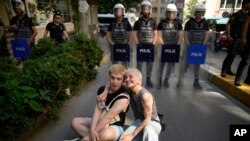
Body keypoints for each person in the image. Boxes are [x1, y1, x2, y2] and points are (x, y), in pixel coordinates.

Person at [68, 64, 130, 141]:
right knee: (75, 122)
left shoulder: (124, 96)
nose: (115, 82)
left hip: (114, 126)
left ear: (123, 80)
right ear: (109, 76)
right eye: (112, 78)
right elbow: (97, 111)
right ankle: (94, 138)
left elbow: (108, 117)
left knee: (106, 134)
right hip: (100, 120)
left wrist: (92, 133)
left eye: (118, 79)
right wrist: (92, 131)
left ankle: (89, 138)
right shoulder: (102, 90)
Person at [98, 68, 162, 141]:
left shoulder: (145, 96)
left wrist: (132, 136)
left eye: (131, 77)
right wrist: (105, 92)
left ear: (139, 81)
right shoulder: (129, 89)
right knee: (123, 139)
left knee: (148, 130)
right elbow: (113, 83)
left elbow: (147, 120)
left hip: (152, 122)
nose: (127, 79)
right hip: (138, 122)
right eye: (126, 77)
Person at [221, 0, 250, 78]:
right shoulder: (237, 14)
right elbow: (229, 24)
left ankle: (228, 69)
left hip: (241, 39)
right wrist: (228, 35)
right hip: (234, 38)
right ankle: (223, 70)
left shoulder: (247, 16)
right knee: (230, 54)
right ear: (245, 4)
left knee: (236, 56)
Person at [157, 3, 183, 88]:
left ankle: (166, 80)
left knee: (170, 66)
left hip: (174, 48)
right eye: (169, 12)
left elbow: (180, 36)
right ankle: (159, 80)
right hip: (164, 47)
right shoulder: (161, 23)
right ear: (166, 13)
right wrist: (163, 45)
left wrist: (178, 45)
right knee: (161, 66)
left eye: (173, 12)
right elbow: (159, 36)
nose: (171, 14)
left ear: (175, 13)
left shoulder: (178, 24)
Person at [184, 2, 209, 89]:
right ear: (195, 12)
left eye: (201, 11)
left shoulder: (205, 23)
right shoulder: (189, 23)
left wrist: (203, 45)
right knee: (187, 63)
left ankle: (196, 81)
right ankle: (181, 77)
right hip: (190, 46)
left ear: (203, 13)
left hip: (200, 46)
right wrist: (188, 45)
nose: (199, 13)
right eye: (198, 11)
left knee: (197, 64)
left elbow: (206, 35)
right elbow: (185, 35)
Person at [133, 0, 157, 88]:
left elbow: (156, 33)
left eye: (147, 8)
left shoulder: (153, 22)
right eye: (144, 8)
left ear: (150, 10)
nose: (146, 10)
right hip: (141, 45)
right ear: (142, 10)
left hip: (150, 45)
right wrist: (137, 43)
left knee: (149, 64)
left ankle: (148, 79)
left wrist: (153, 44)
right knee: (139, 64)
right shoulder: (137, 22)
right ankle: (138, 80)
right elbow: (134, 34)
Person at [106, 3, 133, 67]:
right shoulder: (112, 23)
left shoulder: (127, 23)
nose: (118, 12)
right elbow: (107, 35)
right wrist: (112, 43)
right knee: (115, 65)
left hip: (124, 45)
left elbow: (131, 34)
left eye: (120, 10)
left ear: (123, 11)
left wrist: (129, 43)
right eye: (117, 10)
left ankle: (124, 76)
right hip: (115, 46)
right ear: (114, 12)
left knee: (125, 65)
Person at [234, 0, 250, 86]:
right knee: (245, 60)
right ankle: (238, 79)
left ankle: (248, 79)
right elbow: (246, 24)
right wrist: (244, 37)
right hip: (248, 39)